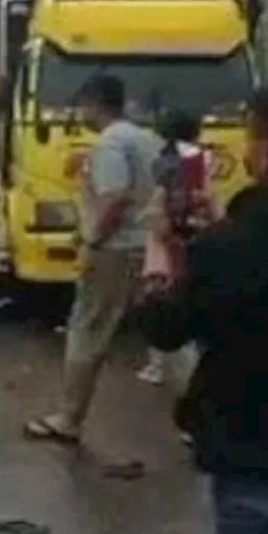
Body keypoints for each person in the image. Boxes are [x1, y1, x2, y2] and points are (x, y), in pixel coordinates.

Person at [134, 84, 268, 534]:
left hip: (259, 460)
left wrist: (164, 258)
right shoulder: (238, 236)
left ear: (265, 150)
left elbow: (166, 327)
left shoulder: (240, 242)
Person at [24, 72, 162, 443]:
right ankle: (194, 418)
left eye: (82, 104)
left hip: (114, 249)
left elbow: (114, 197)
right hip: (149, 246)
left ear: (95, 102)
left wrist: (93, 237)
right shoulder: (147, 139)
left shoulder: (110, 143)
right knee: (166, 334)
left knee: (88, 329)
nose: (80, 112)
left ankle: (69, 418)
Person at [136, 109, 218, 386]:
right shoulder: (202, 157)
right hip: (195, 231)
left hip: (168, 234)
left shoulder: (166, 160)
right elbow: (204, 195)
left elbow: (167, 198)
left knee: (160, 294)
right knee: (186, 293)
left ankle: (160, 365)